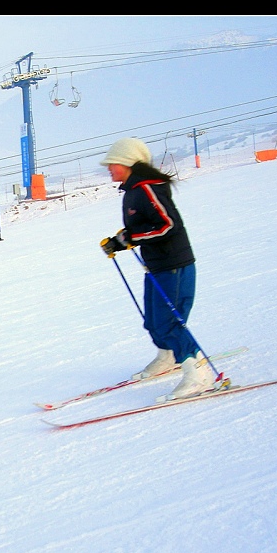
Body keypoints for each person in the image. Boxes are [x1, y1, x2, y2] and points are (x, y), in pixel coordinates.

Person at [98, 137, 215, 400]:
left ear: (128, 163)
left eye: (112, 163)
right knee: (152, 320)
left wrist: (131, 238)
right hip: (157, 266)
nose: (108, 168)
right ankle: (168, 357)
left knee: (169, 322)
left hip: (174, 265)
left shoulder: (147, 188)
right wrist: (120, 241)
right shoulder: (133, 191)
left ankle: (198, 374)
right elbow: (143, 227)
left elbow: (168, 225)